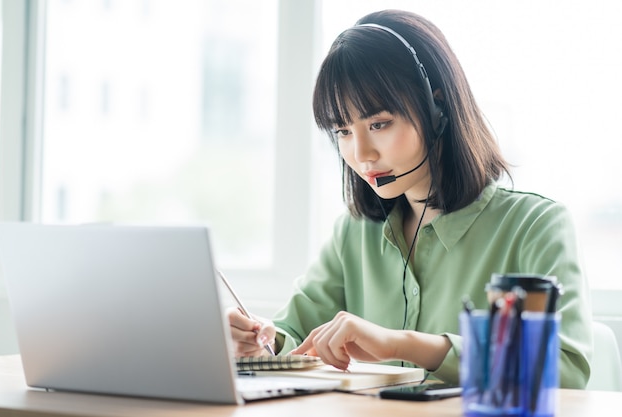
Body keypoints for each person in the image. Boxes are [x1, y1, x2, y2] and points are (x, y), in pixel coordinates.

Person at [228, 9, 592, 388]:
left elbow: (564, 372)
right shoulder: (354, 234)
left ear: (437, 111)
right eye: (343, 131)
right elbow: (292, 337)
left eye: (379, 124)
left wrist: (405, 344)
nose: (361, 153)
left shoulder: (534, 227)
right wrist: (258, 342)